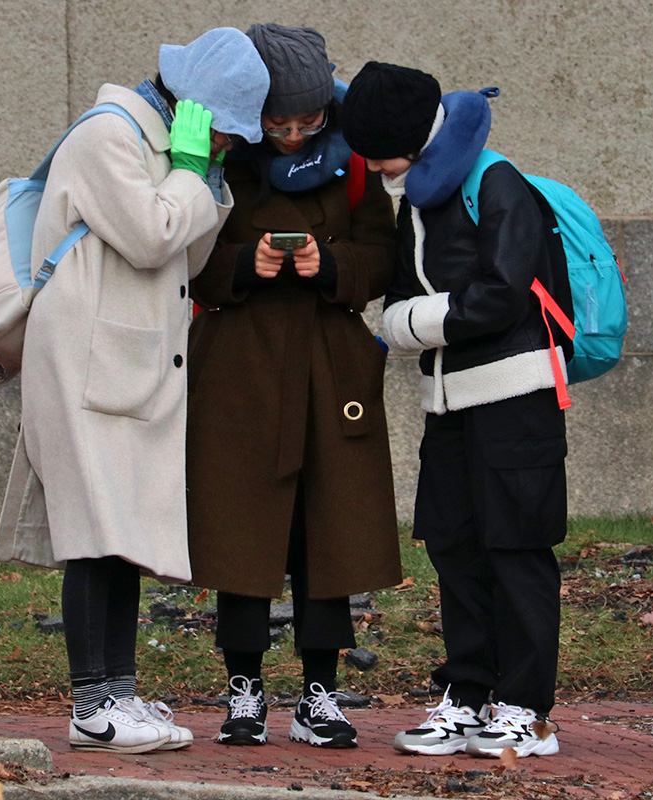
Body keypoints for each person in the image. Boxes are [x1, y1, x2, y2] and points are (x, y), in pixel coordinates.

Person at [0, 28, 270, 753]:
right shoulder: (108, 136)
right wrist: (190, 170)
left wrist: (199, 172)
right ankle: (92, 708)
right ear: (194, 107)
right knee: (94, 533)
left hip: (127, 363)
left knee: (122, 537)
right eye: (225, 129)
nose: (228, 143)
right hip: (86, 364)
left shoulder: (167, 150)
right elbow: (151, 236)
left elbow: (189, 254)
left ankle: (118, 694)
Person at [341, 62, 571, 759]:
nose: (372, 167)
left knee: (517, 550)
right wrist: (408, 317)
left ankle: (527, 710)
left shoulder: (496, 182)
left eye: (380, 153)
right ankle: (468, 696)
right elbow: (409, 288)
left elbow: (502, 293)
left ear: (414, 140)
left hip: (516, 399)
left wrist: (409, 324)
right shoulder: (419, 190)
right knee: (454, 548)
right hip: (449, 403)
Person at [185, 24, 401, 750]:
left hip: (329, 367)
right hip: (239, 369)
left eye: (307, 123)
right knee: (240, 533)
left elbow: (383, 254)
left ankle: (319, 692)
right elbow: (185, 256)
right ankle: (243, 690)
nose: (292, 136)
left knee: (328, 534)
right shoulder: (221, 159)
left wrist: (329, 265)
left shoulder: (355, 159)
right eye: (277, 124)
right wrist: (245, 265)